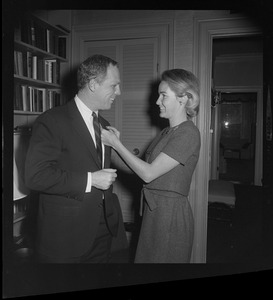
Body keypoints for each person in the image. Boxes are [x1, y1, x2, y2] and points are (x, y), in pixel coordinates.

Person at [25, 54, 128, 263]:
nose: (119, 92)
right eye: (114, 85)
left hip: (103, 231)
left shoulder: (104, 125)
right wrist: (91, 180)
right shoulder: (52, 120)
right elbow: (35, 176)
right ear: (92, 84)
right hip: (66, 236)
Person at [101, 69, 201, 263]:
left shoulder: (188, 133)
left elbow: (148, 174)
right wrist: (117, 145)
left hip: (170, 216)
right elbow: (141, 168)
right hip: (155, 211)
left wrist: (116, 144)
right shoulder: (167, 132)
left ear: (183, 99)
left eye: (163, 95)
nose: (157, 101)